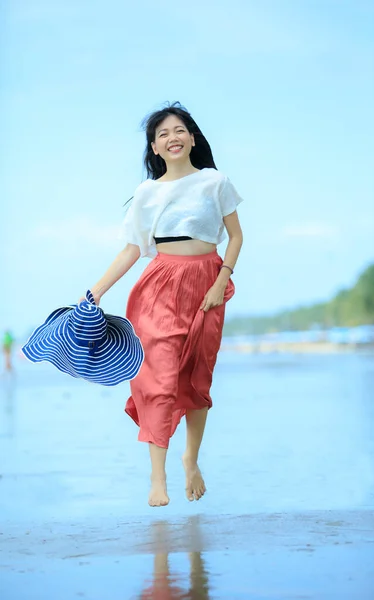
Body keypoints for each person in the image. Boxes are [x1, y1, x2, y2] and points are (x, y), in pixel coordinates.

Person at [83, 102, 244, 507]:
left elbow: (236, 237)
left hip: (208, 281)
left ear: (192, 137)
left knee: (196, 376)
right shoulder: (147, 193)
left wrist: (221, 280)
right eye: (162, 135)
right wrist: (97, 290)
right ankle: (158, 479)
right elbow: (133, 250)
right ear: (154, 148)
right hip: (159, 284)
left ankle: (190, 458)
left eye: (179, 130)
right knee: (157, 379)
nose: (172, 138)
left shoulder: (215, 182)